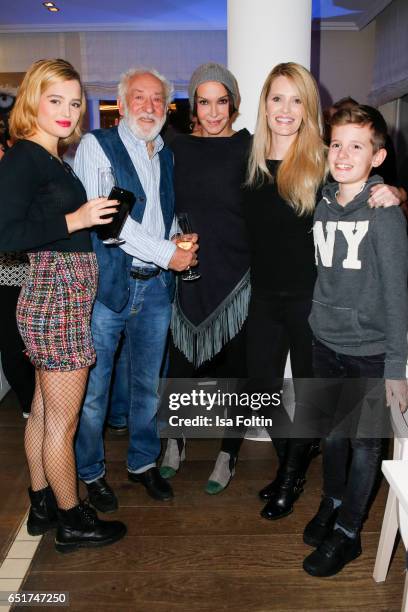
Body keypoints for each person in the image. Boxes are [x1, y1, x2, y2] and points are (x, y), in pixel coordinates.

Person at [242, 63, 402, 522]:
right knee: (261, 392)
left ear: (309, 107)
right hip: (264, 296)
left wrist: (396, 191)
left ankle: (291, 476)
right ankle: (291, 460)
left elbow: (366, 189)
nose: (286, 109)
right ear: (265, 104)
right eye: (277, 98)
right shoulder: (249, 160)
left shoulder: (322, 158)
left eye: (297, 99)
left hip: (313, 298)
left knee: (314, 397)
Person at [0, 58, 126, 552]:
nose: (69, 111)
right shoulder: (26, 157)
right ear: (33, 100)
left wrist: (83, 220)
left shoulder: (49, 158)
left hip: (56, 296)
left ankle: (42, 503)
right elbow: (5, 233)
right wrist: (75, 220)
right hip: (56, 299)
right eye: (56, 100)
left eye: (75, 103)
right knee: (63, 422)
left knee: (42, 412)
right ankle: (73, 519)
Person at [74, 67, 198, 511]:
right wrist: (169, 253)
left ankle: (142, 464)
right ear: (122, 105)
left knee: (148, 385)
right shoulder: (96, 145)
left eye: (157, 100)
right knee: (93, 392)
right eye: (139, 98)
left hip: (156, 290)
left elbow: (161, 215)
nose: (148, 107)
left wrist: (181, 238)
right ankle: (90, 473)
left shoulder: (164, 153)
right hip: (109, 286)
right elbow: (111, 223)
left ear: (167, 108)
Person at [302, 105, 408, 577]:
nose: (343, 154)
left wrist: (396, 365)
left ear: (377, 156)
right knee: (332, 434)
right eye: (337, 144)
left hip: (369, 351)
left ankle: (349, 533)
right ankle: (333, 501)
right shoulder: (323, 202)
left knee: (366, 445)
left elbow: (398, 293)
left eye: (357, 146)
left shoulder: (384, 214)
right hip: (325, 342)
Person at [159, 62, 251, 494]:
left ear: (232, 103)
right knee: (179, 363)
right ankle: (174, 440)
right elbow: (159, 204)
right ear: (192, 104)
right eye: (204, 101)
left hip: (239, 273)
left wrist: (388, 188)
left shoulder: (250, 147)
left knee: (238, 367)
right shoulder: (174, 148)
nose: (213, 112)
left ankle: (227, 453)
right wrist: (173, 234)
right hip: (189, 267)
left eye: (221, 101)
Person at [0, 131, 35, 418]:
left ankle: (32, 404)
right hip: (7, 276)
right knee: (12, 347)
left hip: (25, 274)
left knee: (22, 345)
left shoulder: (20, 182)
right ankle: (29, 405)